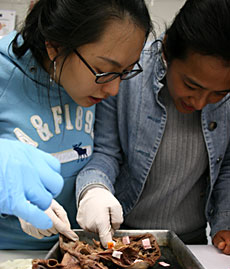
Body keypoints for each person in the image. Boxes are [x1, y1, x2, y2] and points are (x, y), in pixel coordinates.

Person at [76, 0, 230, 255]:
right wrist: (94, 190)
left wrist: (225, 219)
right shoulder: (126, 73)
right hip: (122, 235)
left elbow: (227, 164)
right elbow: (105, 153)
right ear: (167, 49)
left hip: (191, 242)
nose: (201, 102)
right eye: (191, 86)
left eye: (220, 93)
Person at [0, 0, 152, 249]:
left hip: (71, 249)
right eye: (104, 70)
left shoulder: (92, 85)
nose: (114, 89)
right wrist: (10, 201)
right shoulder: (4, 74)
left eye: (124, 72)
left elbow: (99, 150)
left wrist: (92, 189)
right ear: (55, 46)